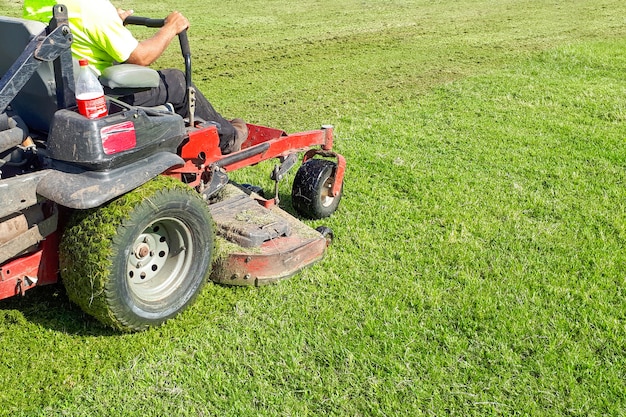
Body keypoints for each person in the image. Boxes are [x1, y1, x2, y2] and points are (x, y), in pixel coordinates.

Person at [22, 0, 247, 154]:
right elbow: (141, 56)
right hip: (92, 100)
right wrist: (171, 27)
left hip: (50, 97)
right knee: (176, 82)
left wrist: (112, 21)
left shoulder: (36, 3)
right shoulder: (91, 7)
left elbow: (81, 32)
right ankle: (229, 139)